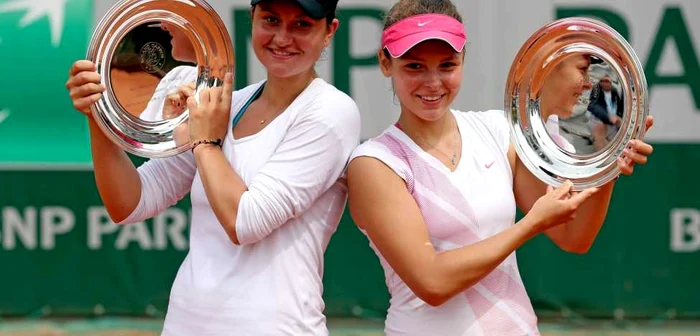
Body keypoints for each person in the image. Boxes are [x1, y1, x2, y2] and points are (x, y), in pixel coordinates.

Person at [345, 0, 654, 335]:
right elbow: (431, 282)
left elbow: (573, 238)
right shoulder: (374, 164)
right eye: (414, 67)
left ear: (463, 60)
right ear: (384, 63)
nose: (433, 82)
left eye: (447, 65)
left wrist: (607, 161)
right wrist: (529, 225)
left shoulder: (497, 132)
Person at [65, 0, 361, 335]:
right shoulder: (225, 104)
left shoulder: (331, 112)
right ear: (252, 19)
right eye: (270, 19)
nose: (282, 37)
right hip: (184, 323)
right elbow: (131, 203)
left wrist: (205, 142)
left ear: (329, 32)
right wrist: (97, 115)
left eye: (302, 25)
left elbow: (245, 222)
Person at [539, 54, 594, 153]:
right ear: (550, 66)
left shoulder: (565, 149)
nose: (589, 85)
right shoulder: (503, 134)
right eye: (583, 68)